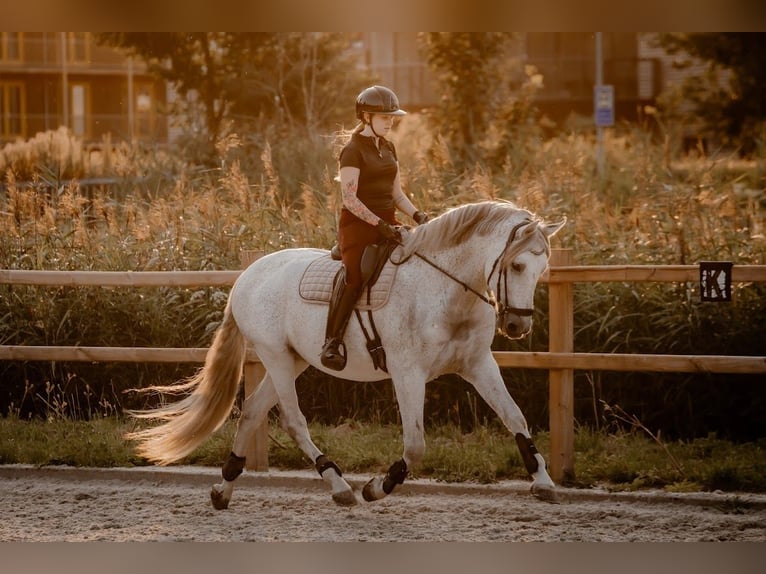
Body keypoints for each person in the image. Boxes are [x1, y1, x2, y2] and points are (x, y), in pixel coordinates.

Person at [320, 85, 429, 371]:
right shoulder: (352, 151)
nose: (390, 121)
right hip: (358, 226)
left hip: (388, 223)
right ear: (366, 116)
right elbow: (349, 199)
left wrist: (418, 216)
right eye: (384, 117)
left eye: (392, 116)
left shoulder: (388, 147)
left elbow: (397, 194)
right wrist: (380, 224)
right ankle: (332, 341)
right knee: (357, 273)